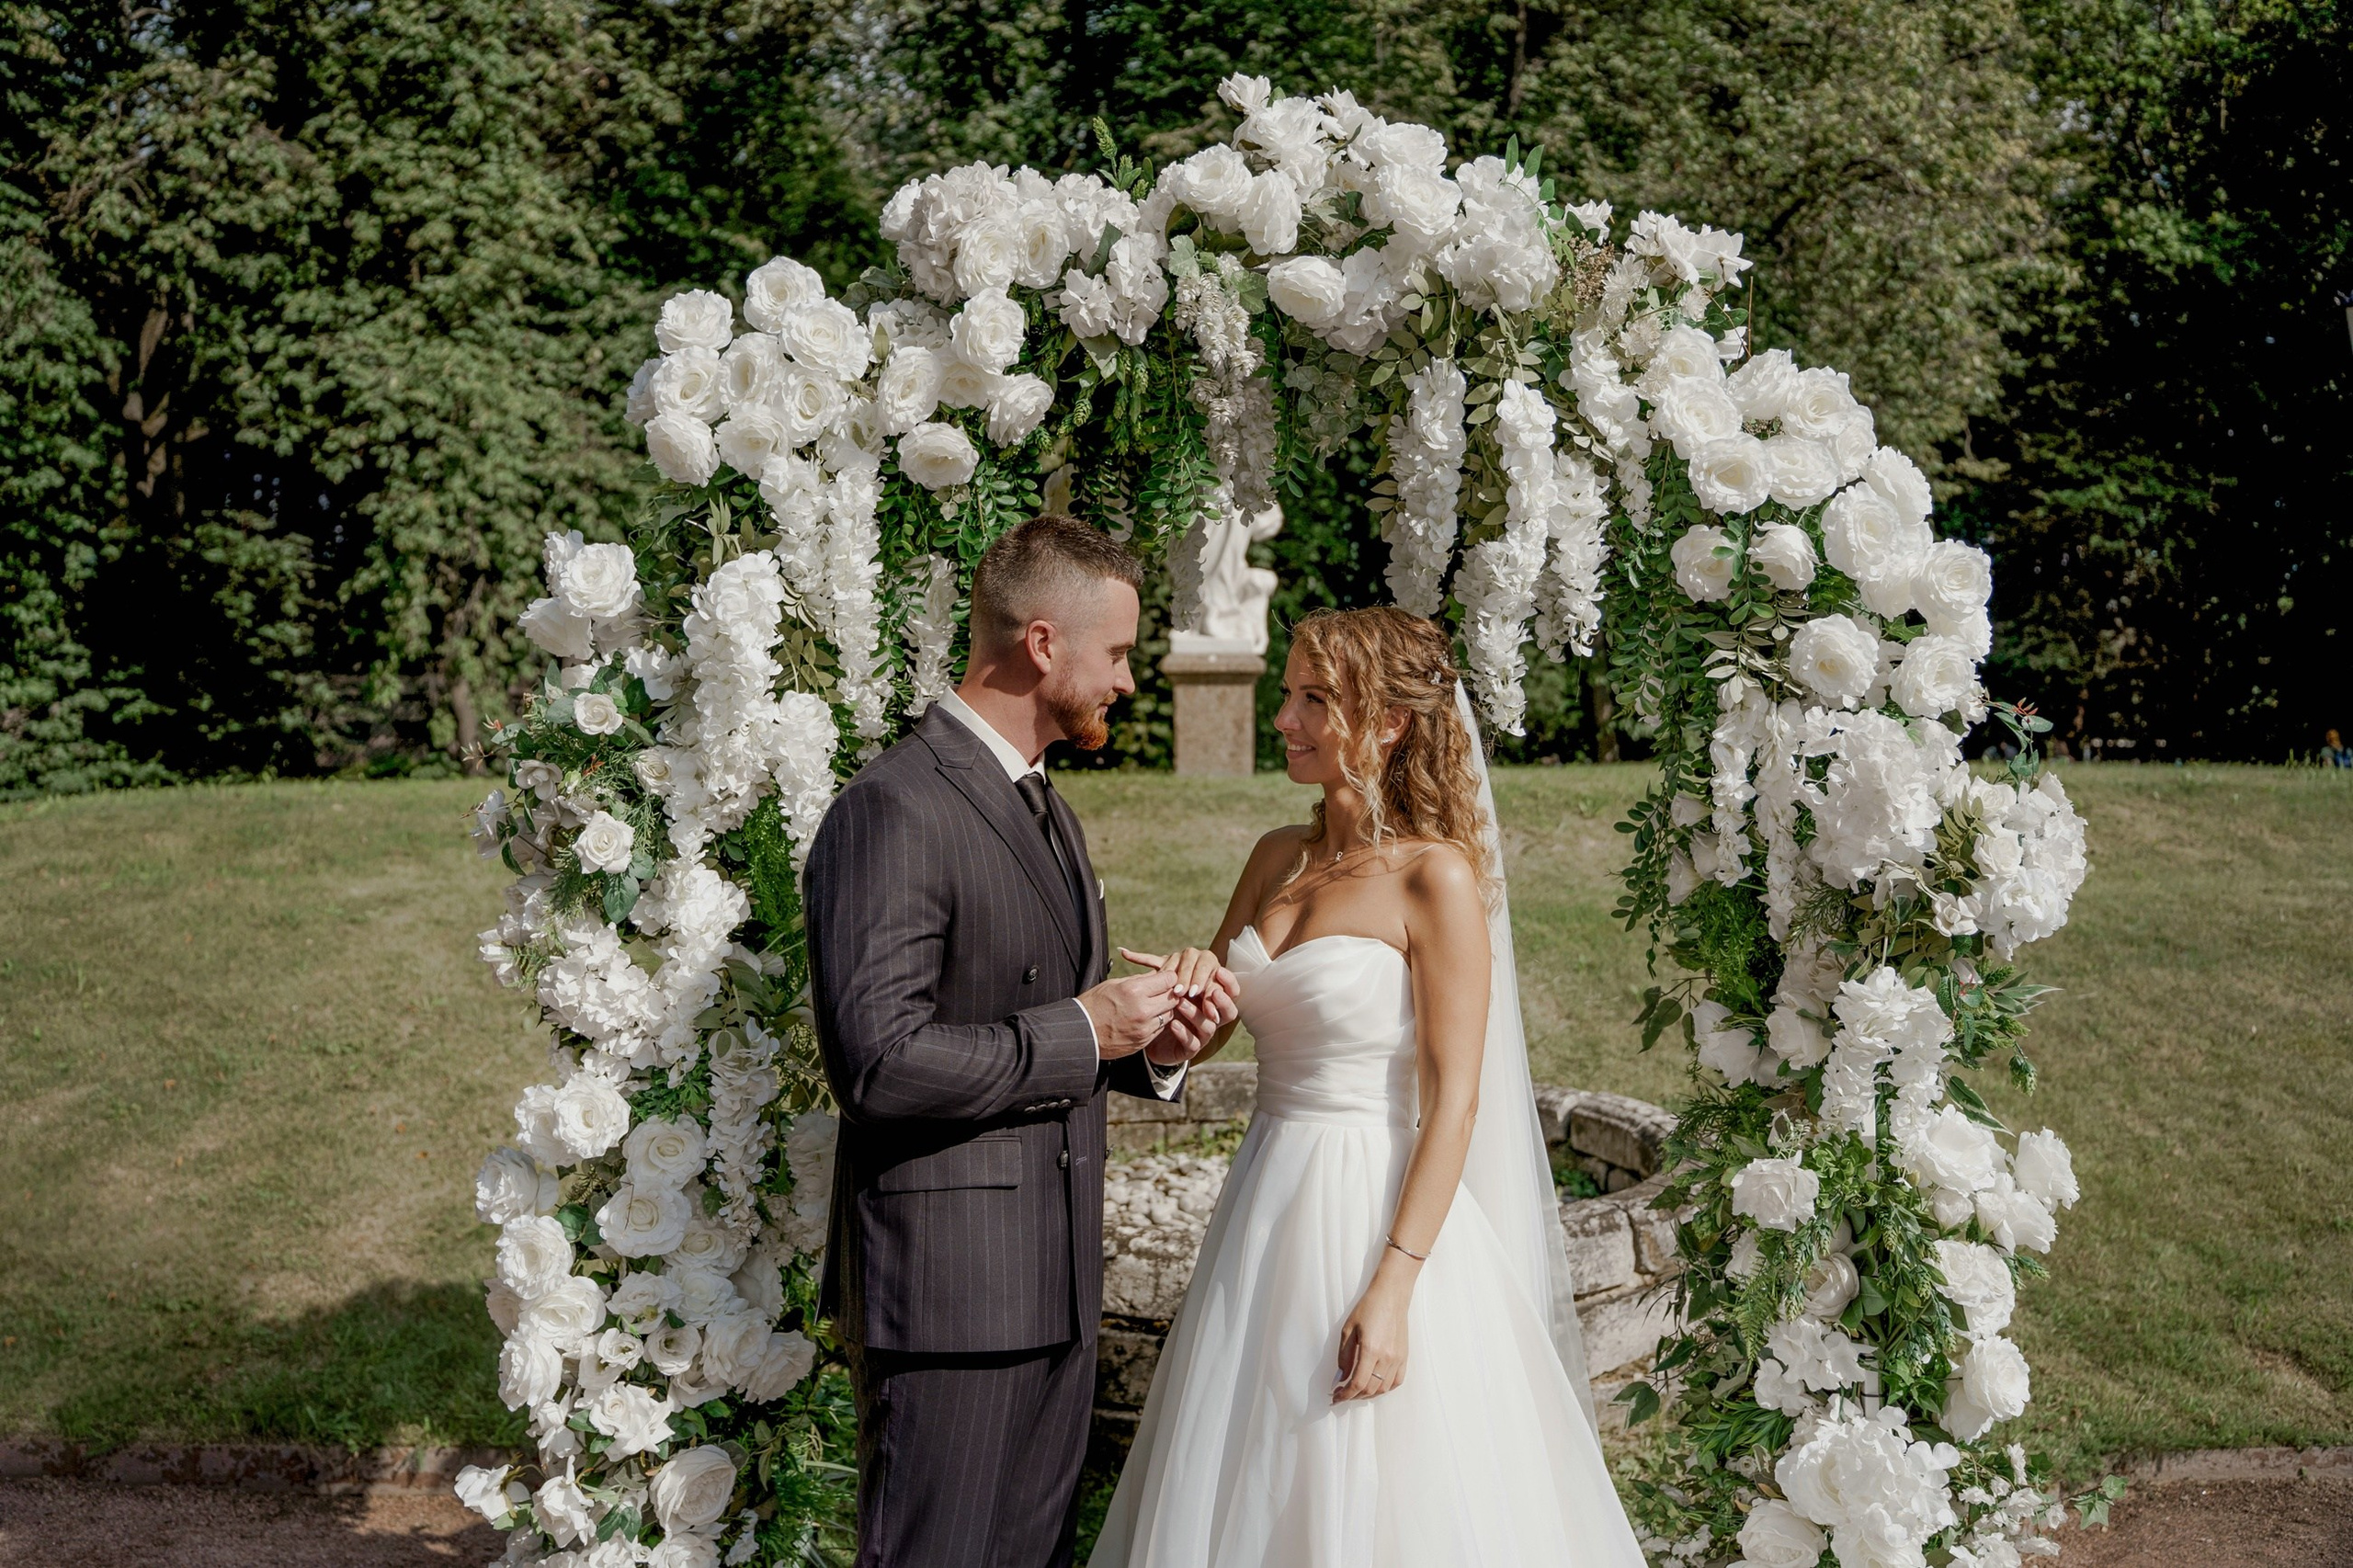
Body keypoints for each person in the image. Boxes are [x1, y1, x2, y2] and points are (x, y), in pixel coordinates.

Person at [1092, 606, 1647, 1568]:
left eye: (1315, 699)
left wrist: (1392, 1287)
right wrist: (1191, 984)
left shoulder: (1435, 878)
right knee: (1252, 1465)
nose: (1286, 719)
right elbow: (1210, 1029)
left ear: (1386, 722)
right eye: (1288, 695)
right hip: (1265, 1204)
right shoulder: (1277, 854)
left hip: (1375, 1208)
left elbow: (1457, 1101)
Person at [801, 515, 1241, 1568]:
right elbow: (878, 1061)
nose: (1129, 681)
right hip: (950, 1296)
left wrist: (1166, 1041)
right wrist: (1084, 1025)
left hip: (1055, 1286)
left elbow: (1059, 1030)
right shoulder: (893, 808)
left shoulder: (1046, 805)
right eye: (1122, 652)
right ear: (1044, 643)